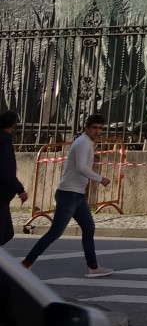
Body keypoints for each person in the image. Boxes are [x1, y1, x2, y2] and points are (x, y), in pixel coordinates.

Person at [20, 114, 110, 275]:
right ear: (86, 128)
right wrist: (100, 179)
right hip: (69, 194)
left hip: (77, 194)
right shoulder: (83, 143)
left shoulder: (86, 142)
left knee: (88, 228)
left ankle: (93, 266)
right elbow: (81, 167)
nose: (98, 131)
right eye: (94, 128)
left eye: (100, 128)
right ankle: (26, 263)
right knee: (55, 232)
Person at [0, 111, 24, 250]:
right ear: (13, 124)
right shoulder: (4, 141)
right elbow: (6, 169)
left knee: (7, 232)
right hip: (2, 194)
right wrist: (20, 189)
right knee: (5, 233)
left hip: (3, 194)